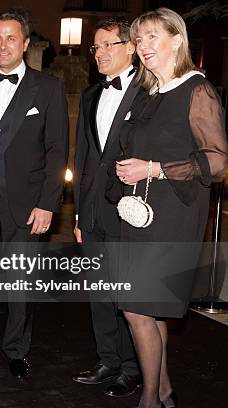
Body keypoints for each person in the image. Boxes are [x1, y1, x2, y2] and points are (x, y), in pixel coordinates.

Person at [111, 8, 227, 408]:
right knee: (149, 310)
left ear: (176, 39)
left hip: (173, 213)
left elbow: (217, 161)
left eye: (152, 37)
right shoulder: (148, 93)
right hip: (138, 212)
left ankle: (149, 400)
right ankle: (162, 392)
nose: (143, 47)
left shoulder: (197, 89)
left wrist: (154, 168)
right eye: (138, 40)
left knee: (136, 307)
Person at [0, 12, 68, 378]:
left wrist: (49, 204)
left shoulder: (48, 89)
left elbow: (56, 152)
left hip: (28, 203)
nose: (3, 45)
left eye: (11, 38)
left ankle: (17, 349)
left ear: (25, 44)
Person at [71, 18, 141, 397]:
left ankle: (133, 368)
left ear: (130, 47)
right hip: (94, 210)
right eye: (95, 47)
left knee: (125, 293)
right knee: (99, 289)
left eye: (107, 45)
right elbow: (83, 156)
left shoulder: (149, 93)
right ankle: (108, 360)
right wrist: (80, 213)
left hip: (129, 210)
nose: (99, 53)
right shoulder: (89, 95)